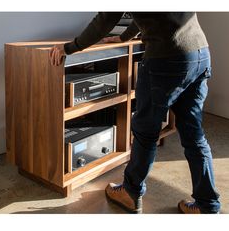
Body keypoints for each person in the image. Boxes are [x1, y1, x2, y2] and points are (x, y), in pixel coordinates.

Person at [50, 12, 221, 214]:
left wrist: (69, 48)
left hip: (166, 58)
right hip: (199, 53)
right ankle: (207, 205)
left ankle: (130, 192)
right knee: (194, 134)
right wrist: (124, 38)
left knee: (145, 132)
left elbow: (105, 19)